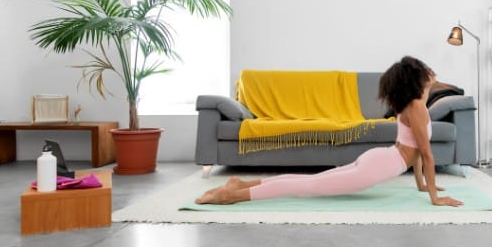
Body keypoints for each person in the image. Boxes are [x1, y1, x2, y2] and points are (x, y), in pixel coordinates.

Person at [195, 56, 464, 207]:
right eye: (426, 69)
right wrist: (435, 197)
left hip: (380, 159)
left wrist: (421, 185)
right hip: (379, 166)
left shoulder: (415, 104)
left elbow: (416, 153)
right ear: (418, 79)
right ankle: (234, 195)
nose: (431, 70)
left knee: (310, 180)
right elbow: (426, 156)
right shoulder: (416, 107)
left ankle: (241, 183)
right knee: (307, 186)